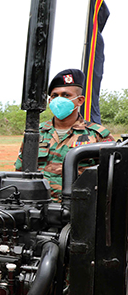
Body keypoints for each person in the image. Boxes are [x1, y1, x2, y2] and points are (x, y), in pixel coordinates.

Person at [14, 69, 113, 202]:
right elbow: (20, 173)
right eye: (55, 96)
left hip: (79, 210)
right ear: (49, 100)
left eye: (66, 95)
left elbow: (111, 180)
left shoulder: (98, 136)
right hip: (38, 207)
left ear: (80, 100)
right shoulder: (36, 133)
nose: (59, 100)